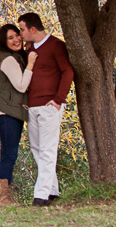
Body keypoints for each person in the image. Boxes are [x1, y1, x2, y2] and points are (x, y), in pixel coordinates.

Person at [17, 12, 74, 207]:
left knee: (48, 150)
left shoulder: (56, 46)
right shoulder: (29, 48)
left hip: (50, 106)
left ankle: (40, 196)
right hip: (32, 105)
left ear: (33, 29)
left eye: (22, 29)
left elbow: (68, 71)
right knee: (37, 149)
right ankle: (52, 191)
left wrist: (59, 100)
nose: (20, 33)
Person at [0, 23, 37, 207]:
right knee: (9, 153)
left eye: (17, 35)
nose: (16, 40)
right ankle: (5, 198)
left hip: (10, 111)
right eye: (10, 38)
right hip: (5, 112)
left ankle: (8, 197)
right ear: (3, 42)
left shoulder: (12, 57)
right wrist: (30, 64)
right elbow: (21, 86)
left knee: (10, 153)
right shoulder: (7, 59)